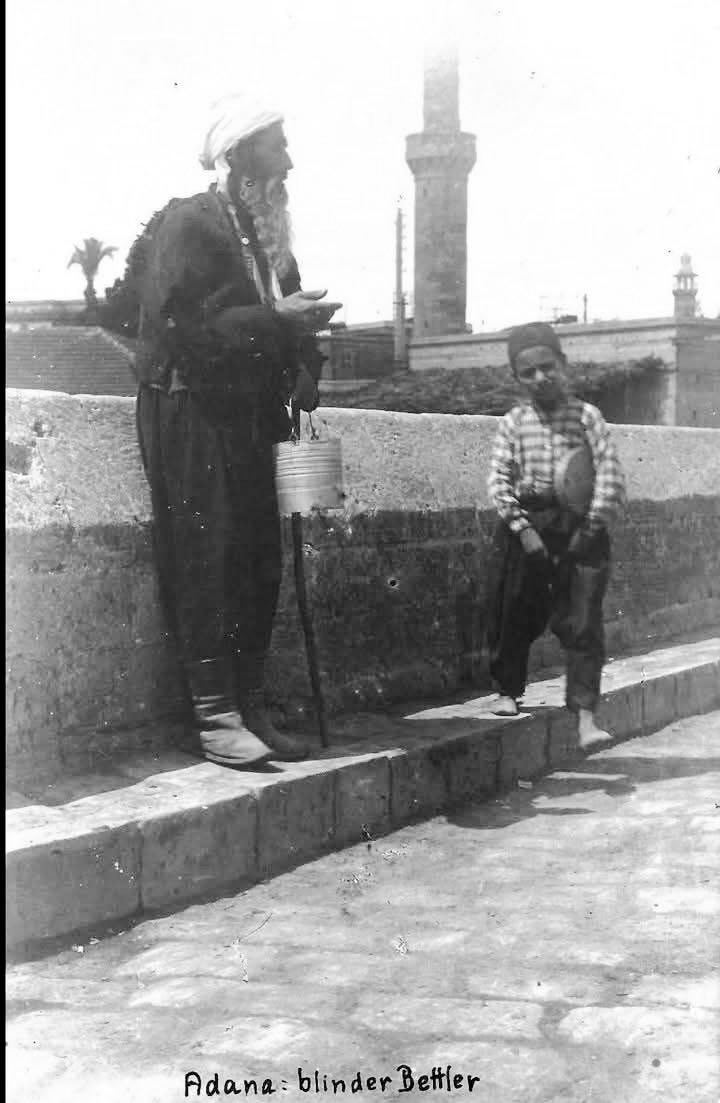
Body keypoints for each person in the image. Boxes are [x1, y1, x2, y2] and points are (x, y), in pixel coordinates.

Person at [134, 93, 341, 767]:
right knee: (207, 554)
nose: (290, 163)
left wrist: (306, 364)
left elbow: (290, 318)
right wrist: (277, 320)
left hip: (251, 416)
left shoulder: (267, 237)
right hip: (192, 410)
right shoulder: (189, 223)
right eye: (277, 147)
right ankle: (215, 716)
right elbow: (181, 328)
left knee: (257, 560)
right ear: (240, 154)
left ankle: (249, 707)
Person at [486, 321, 626, 749]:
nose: (540, 377)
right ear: (517, 378)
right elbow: (499, 481)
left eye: (547, 367)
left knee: (583, 619)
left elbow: (609, 475)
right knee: (513, 608)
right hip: (529, 525)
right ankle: (508, 690)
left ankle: (585, 718)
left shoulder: (587, 417)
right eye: (528, 372)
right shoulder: (514, 422)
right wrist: (523, 530)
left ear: (563, 364)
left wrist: (591, 527)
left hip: (580, 524)